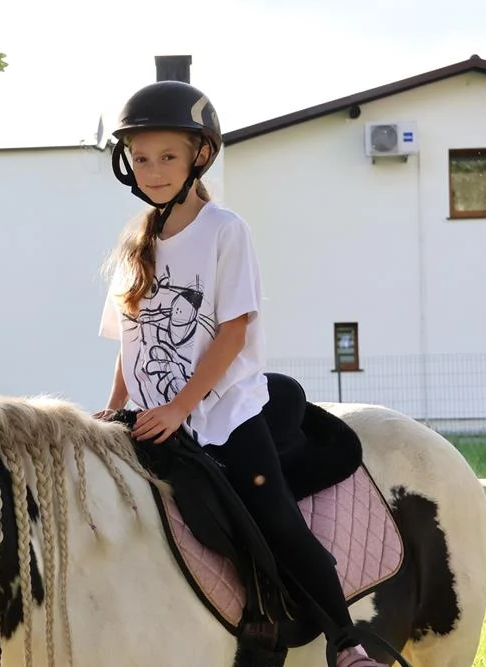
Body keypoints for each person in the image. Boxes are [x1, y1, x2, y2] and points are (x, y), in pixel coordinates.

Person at [96, 80, 385, 667]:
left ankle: (346, 642)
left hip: (225, 413)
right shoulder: (136, 241)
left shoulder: (225, 230)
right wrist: (112, 407)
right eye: (142, 158)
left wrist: (181, 406)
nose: (152, 170)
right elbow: (132, 337)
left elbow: (233, 331)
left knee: (273, 515)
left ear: (200, 155)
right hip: (152, 420)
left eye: (167, 157)